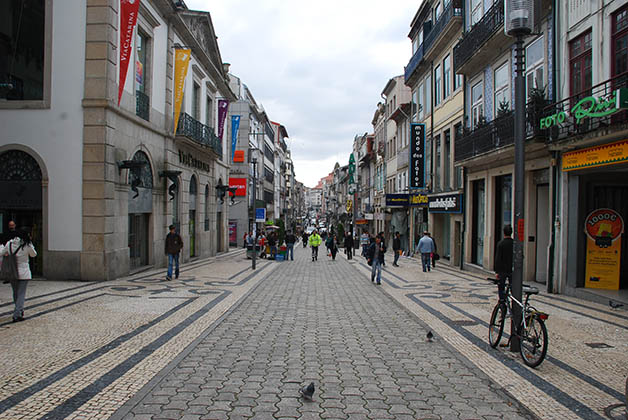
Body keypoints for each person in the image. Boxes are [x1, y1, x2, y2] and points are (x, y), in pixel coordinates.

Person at [0, 230, 37, 322]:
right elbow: (34, 254)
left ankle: (19, 310)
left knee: (15, 293)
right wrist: (31, 244)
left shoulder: (9, 244)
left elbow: (1, 252)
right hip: (24, 272)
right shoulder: (27, 245)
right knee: (21, 294)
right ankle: (17, 314)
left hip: (13, 272)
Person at [494, 225, 514, 301]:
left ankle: (502, 302)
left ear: (504, 233)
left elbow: (498, 258)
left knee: (501, 287)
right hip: (512, 270)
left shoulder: (501, 244)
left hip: (502, 270)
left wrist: (497, 271)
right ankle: (514, 303)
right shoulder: (514, 243)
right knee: (513, 287)